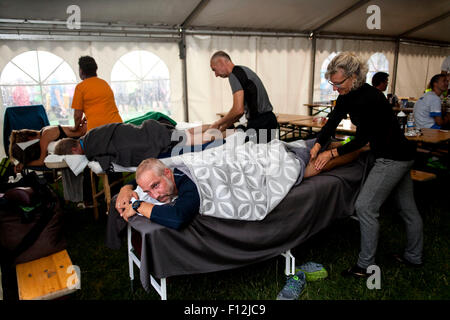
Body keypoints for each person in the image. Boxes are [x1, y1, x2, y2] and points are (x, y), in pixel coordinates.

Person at [310, 52, 423, 278]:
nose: (335, 88)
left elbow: (362, 140)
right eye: (332, 83)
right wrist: (317, 145)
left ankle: (366, 267)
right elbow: (332, 121)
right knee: (407, 209)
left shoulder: (370, 97)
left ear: (353, 77)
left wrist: (332, 153)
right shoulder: (347, 95)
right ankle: (413, 257)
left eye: (338, 83)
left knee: (365, 207)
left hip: (392, 157)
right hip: (398, 154)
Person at [53, 119, 231, 172]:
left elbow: (107, 160)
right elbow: (117, 127)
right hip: (151, 129)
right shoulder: (92, 132)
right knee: (187, 134)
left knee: (194, 141)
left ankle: (226, 137)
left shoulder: (91, 148)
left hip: (149, 141)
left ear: (75, 149)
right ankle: (225, 128)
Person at [209, 51, 278, 142]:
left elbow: (238, 110)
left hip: (261, 123)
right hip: (267, 121)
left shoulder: (234, 75)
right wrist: (224, 126)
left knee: (252, 153)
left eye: (214, 69)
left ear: (221, 62)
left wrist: (218, 123)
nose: (216, 75)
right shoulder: (242, 70)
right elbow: (238, 113)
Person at [70, 56, 123, 132]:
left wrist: (75, 127)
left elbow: (77, 115)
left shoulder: (80, 87)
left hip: (98, 130)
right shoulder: (104, 83)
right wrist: (87, 117)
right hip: (118, 126)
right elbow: (104, 107)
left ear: (81, 71)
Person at [9, 121, 87, 172]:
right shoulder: (44, 130)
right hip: (84, 133)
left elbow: (41, 161)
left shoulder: (44, 137)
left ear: (29, 138)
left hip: (86, 136)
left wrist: (24, 164)